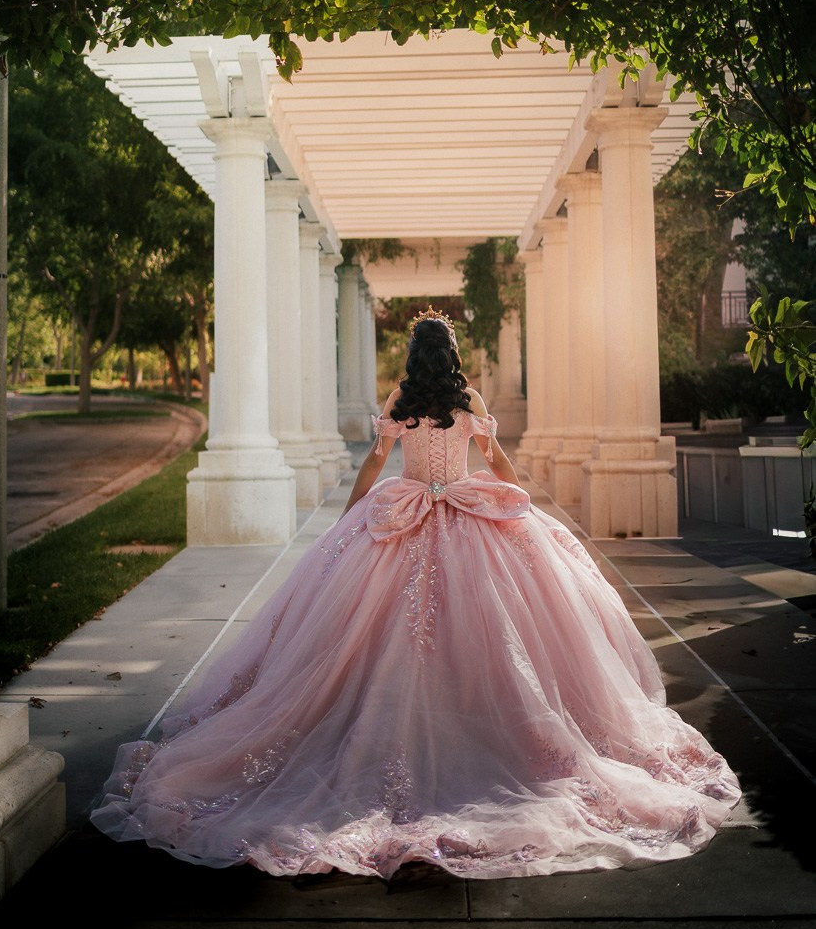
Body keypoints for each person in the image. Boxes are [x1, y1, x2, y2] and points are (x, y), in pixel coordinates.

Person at [91, 309, 740, 878]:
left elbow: (376, 463)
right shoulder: (468, 402)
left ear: (413, 357)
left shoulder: (401, 399)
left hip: (404, 517)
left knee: (375, 637)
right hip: (466, 519)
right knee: (494, 634)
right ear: (452, 357)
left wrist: (350, 518)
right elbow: (498, 462)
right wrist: (518, 499)